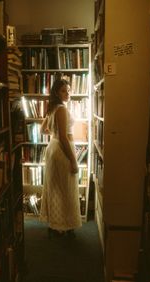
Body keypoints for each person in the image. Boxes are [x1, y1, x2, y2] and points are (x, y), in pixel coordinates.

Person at [39, 78, 82, 238]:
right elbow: (64, 137)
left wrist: (54, 134)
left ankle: (55, 224)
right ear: (57, 92)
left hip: (53, 148)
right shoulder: (61, 109)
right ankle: (66, 226)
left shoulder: (52, 108)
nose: (68, 93)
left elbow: (43, 130)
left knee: (54, 187)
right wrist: (73, 160)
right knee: (67, 188)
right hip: (62, 149)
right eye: (64, 90)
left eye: (68, 90)